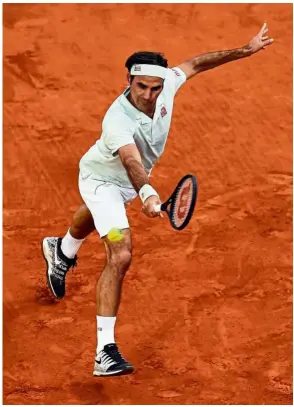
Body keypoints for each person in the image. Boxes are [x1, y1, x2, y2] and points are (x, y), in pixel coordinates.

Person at [42, 23, 273, 377]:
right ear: (128, 81)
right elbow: (132, 160)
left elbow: (196, 63)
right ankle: (104, 351)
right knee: (120, 252)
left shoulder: (166, 87)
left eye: (155, 87)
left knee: (101, 215)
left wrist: (245, 49)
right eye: (141, 87)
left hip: (122, 190)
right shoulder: (117, 119)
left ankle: (63, 250)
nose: (149, 95)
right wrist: (149, 193)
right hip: (102, 179)